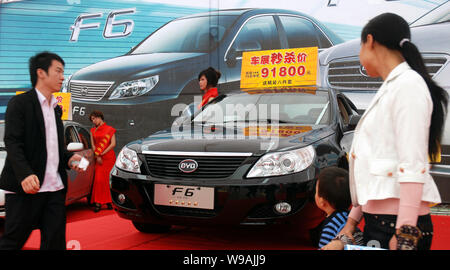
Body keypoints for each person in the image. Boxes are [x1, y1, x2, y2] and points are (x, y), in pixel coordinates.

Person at [338, 13, 448, 250]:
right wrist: (352, 221)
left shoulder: (408, 86)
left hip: (397, 226)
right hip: (381, 222)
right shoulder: (394, 87)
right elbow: (373, 167)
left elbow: (413, 163)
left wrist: (405, 231)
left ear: (370, 41)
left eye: (360, 46)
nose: (360, 54)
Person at [0, 51, 84, 250]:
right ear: (41, 73)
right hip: (26, 188)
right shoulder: (20, 104)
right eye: (58, 71)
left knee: (55, 243)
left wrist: (71, 158)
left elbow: (54, 148)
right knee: (13, 241)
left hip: (54, 189)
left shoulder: (55, 109)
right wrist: (25, 174)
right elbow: (13, 142)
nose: (63, 77)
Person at [311, 167, 363, 249]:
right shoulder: (349, 217)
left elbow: (325, 248)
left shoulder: (331, 226)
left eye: (316, 191)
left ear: (322, 201)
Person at [89, 110, 116, 212]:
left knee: (107, 180)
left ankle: (109, 202)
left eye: (94, 118)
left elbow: (113, 144)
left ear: (100, 117)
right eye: (92, 120)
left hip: (108, 157)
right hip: (98, 157)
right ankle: (98, 203)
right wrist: (97, 155)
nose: (94, 121)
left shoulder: (110, 129)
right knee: (99, 180)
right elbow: (93, 144)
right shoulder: (93, 131)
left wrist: (102, 153)